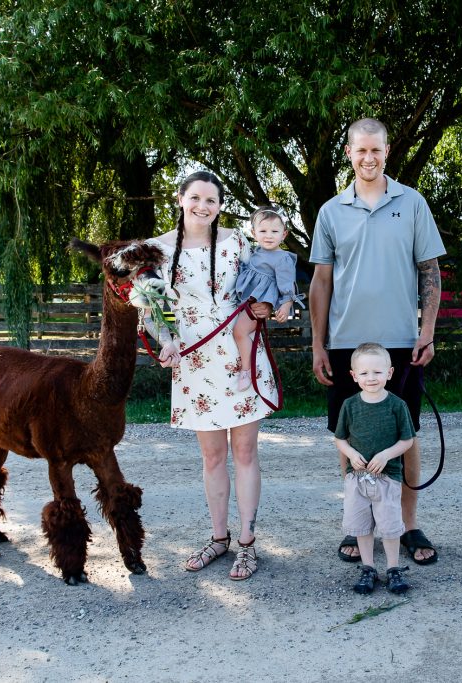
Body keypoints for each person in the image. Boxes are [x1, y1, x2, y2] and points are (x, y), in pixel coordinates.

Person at [309, 117, 446, 566]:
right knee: (350, 434)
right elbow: (321, 283)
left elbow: (430, 270)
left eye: (376, 150)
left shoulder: (412, 203)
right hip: (348, 342)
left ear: (387, 152)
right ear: (348, 153)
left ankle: (407, 525)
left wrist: (426, 331)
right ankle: (357, 524)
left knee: (406, 432)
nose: (368, 157)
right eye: (360, 150)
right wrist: (319, 344)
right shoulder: (330, 211)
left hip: (402, 343)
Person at [147, 171, 278, 581]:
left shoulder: (237, 240)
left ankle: (247, 543)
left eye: (212, 201)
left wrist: (266, 307)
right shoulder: (156, 250)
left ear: (220, 206)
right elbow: (153, 307)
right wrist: (165, 341)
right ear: (181, 198)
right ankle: (218, 538)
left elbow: (264, 280)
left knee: (245, 453)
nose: (203, 207)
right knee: (212, 456)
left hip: (241, 353)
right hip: (195, 362)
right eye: (196, 198)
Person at [335, 343, 416, 594]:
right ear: (354, 375)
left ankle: (393, 568)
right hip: (357, 477)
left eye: (378, 372)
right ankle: (368, 568)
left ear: (389, 373)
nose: (371, 378)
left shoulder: (397, 405)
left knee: (390, 525)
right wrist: (351, 454)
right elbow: (340, 438)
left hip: (387, 477)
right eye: (365, 373)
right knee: (362, 526)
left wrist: (386, 455)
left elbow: (408, 440)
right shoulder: (349, 405)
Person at [232, 206, 302, 391]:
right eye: (263, 231)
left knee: (240, 332)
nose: (268, 235)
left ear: (284, 234)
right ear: (254, 233)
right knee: (240, 333)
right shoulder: (254, 253)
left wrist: (286, 306)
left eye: (274, 231)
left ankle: (247, 370)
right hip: (244, 301)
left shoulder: (282, 258)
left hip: (258, 303)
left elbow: (287, 286)